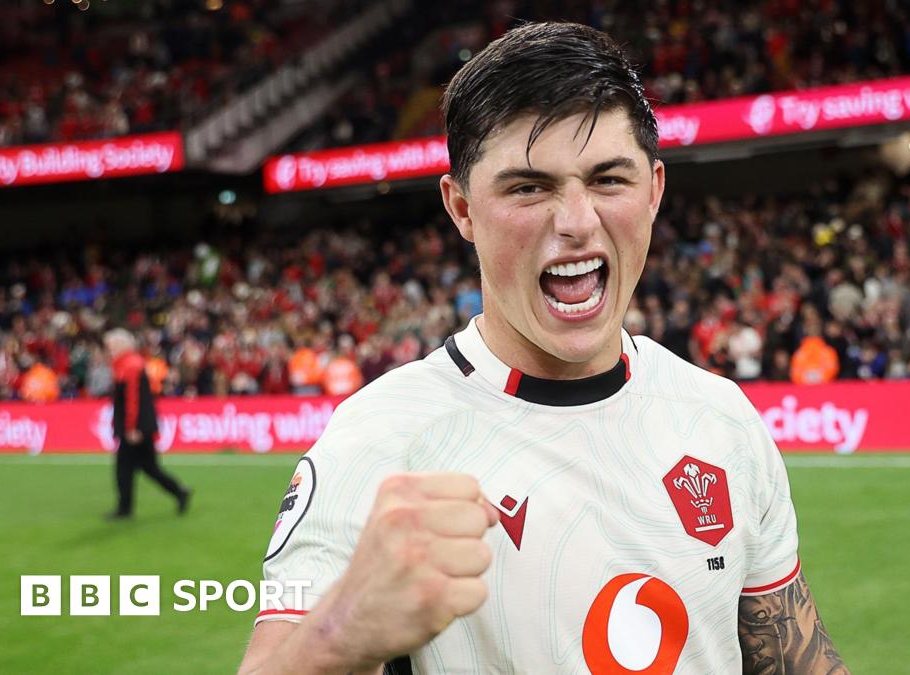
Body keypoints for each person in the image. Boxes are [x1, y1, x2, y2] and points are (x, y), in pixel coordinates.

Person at [239, 22, 849, 675]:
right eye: (529, 187)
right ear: (462, 209)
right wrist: (339, 635)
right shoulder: (378, 440)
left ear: (654, 191)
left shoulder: (721, 419)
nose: (577, 222)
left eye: (608, 179)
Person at [104, 328, 190, 520]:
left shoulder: (129, 365)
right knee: (149, 467)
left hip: (137, 427)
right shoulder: (129, 364)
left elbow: (133, 399)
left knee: (124, 467)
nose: (109, 350)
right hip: (141, 425)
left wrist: (131, 427)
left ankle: (124, 508)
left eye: (111, 346)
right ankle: (179, 491)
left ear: (121, 345)